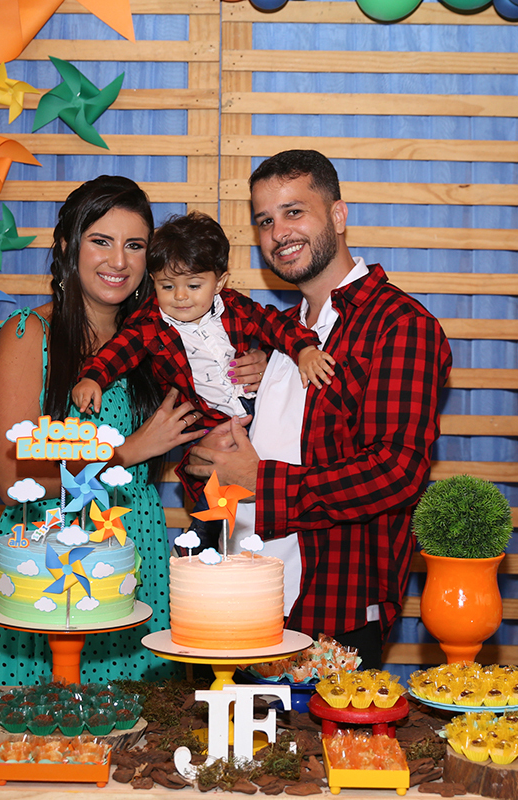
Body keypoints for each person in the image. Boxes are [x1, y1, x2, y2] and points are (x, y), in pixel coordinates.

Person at [0, 176, 266, 685]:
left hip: (141, 556)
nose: (118, 261)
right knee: (49, 736)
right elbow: (11, 478)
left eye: (134, 245)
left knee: (138, 738)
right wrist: (127, 452)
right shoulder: (29, 334)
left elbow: (203, 427)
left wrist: (257, 369)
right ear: (68, 247)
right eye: (101, 241)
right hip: (50, 564)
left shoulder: (159, 340)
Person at [186, 150, 452, 669]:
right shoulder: (278, 338)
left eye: (294, 211)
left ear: (337, 215)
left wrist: (260, 482)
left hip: (335, 607)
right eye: (265, 220)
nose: (278, 231)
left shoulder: (399, 325)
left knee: (331, 752)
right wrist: (207, 460)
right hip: (243, 598)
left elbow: (397, 471)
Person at [71, 211, 335, 511]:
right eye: (167, 286)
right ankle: (200, 546)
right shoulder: (149, 325)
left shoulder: (235, 307)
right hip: (206, 423)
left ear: (219, 282)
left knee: (269, 490)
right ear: (153, 281)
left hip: (256, 411)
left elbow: (274, 324)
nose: (180, 296)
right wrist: (93, 377)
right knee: (211, 496)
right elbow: (117, 352)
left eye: (193, 286)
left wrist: (304, 349)